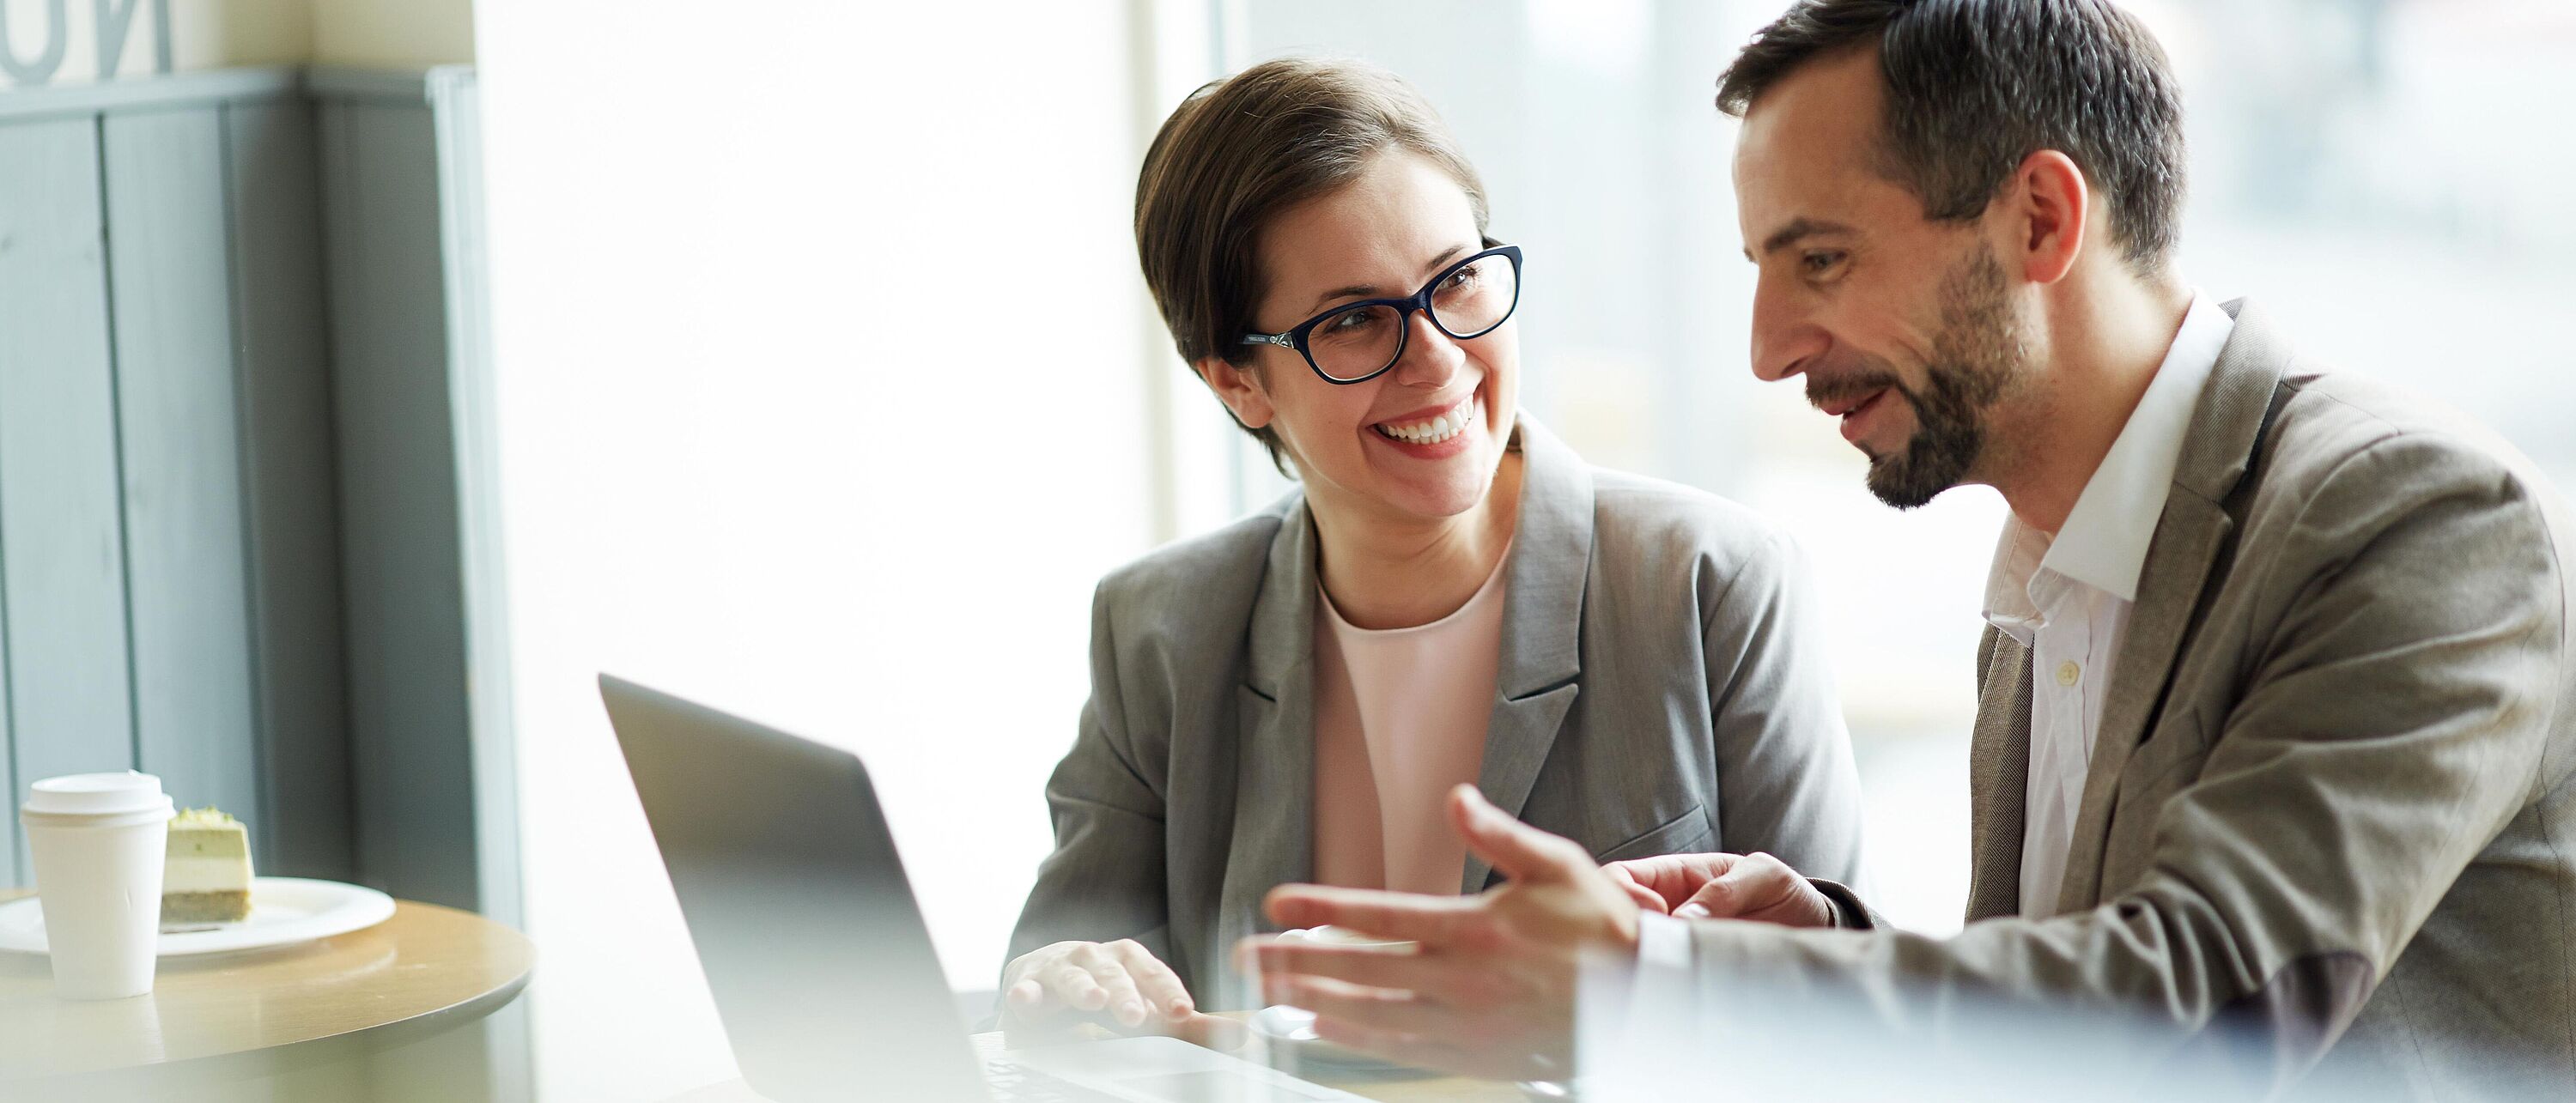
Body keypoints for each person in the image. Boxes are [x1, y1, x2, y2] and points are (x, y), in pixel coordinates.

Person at [1251, 3, 2576, 1099]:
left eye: (1819, 260)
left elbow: (2209, 1006)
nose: (1768, 348)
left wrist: (1660, 989)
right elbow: (2064, 1014)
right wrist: (1825, 947)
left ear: (2043, 223)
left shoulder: (2419, 518)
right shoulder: (2053, 558)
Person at [1000, 58, 1868, 1043]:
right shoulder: (1158, 627)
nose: (1439, 359)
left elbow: (1847, 1011)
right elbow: (1063, 988)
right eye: (1357, 320)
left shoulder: (1709, 582)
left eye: (1455, 281)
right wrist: (1068, 982)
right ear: (1237, 382)